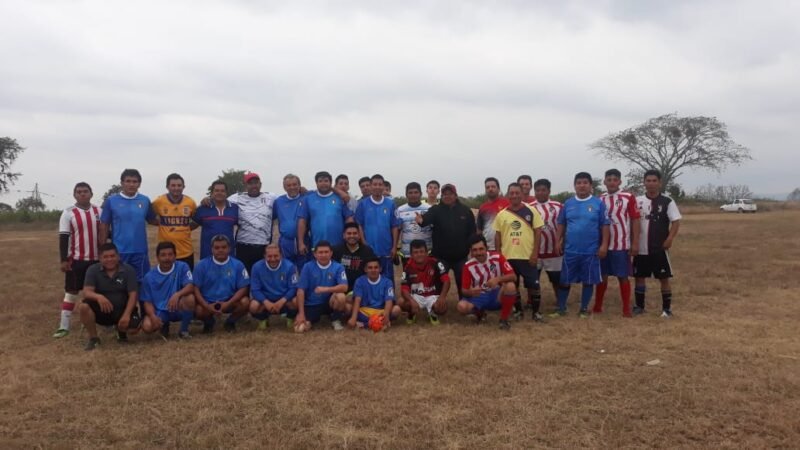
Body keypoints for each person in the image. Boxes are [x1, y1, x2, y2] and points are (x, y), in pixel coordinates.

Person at [550, 172, 610, 318]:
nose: (582, 185)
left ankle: (583, 309)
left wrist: (604, 246)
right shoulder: (568, 204)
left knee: (588, 281)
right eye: (579, 183)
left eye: (585, 182)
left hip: (590, 251)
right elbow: (561, 223)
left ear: (590, 185)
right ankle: (561, 308)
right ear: (574, 185)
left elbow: (605, 226)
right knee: (565, 280)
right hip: (570, 251)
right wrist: (558, 241)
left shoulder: (598, 204)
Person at [54, 182, 102, 338]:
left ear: (91, 194)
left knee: (96, 292)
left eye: (85, 191)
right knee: (72, 292)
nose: (82, 194)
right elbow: (64, 237)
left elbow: (106, 233)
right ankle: (64, 326)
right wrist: (63, 259)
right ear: (74, 194)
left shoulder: (98, 211)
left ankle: (95, 321)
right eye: (79, 192)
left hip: (97, 260)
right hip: (77, 260)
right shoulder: (68, 213)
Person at [633, 169, 682, 318]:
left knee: (663, 278)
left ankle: (666, 309)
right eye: (648, 181)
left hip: (659, 247)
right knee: (639, 277)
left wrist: (670, 239)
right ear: (644, 182)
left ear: (659, 183)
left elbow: (676, 221)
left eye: (654, 181)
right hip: (641, 247)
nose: (651, 184)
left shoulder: (667, 201)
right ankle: (639, 307)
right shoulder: (637, 201)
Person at [493, 182, 545, 321]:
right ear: (508, 195)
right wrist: (499, 255)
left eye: (517, 193)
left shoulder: (531, 211)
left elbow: (538, 232)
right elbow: (497, 236)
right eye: (512, 193)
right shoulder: (502, 214)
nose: (514, 196)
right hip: (508, 257)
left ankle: (536, 312)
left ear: (522, 194)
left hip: (527, 256)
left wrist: (535, 253)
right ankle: (518, 311)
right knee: (512, 286)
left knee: (533, 285)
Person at [415, 183, 476, 299]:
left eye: (450, 194)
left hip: (461, 257)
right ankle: (436, 303)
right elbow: (425, 221)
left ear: (455, 195)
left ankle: (465, 303)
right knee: (438, 282)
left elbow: (472, 232)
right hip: (441, 257)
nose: (447, 196)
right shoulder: (436, 210)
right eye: (445, 194)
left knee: (463, 282)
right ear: (441, 196)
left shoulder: (465, 210)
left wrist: (472, 249)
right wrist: (420, 220)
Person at [594, 169, 640, 317]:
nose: (612, 182)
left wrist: (635, 243)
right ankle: (597, 306)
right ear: (604, 182)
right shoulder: (600, 199)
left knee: (623, 276)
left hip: (621, 244)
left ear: (620, 181)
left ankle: (626, 308)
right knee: (602, 276)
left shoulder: (628, 197)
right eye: (609, 179)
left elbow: (635, 220)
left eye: (615, 179)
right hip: (604, 246)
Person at [79, 243, 142, 351]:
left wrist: (127, 315)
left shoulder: (128, 270)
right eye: (105, 257)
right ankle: (94, 339)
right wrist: (99, 297)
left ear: (118, 256)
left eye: (112, 256)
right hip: (102, 310)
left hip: (122, 310)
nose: (109, 259)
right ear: (100, 258)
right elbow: (87, 292)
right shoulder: (92, 270)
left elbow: (133, 295)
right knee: (83, 307)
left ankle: (121, 331)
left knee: (133, 330)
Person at [98, 168, 155, 281]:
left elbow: (152, 220)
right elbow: (104, 225)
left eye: (135, 182)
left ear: (139, 184)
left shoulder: (144, 200)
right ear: (122, 183)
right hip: (119, 251)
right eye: (128, 181)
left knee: (142, 282)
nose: (131, 184)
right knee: (119, 282)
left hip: (140, 251)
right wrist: (102, 248)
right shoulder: (111, 201)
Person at [457, 236, 518, 330]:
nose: (478, 253)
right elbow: (464, 290)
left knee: (510, 286)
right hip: (480, 296)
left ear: (487, 248)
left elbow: (513, 276)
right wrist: (471, 292)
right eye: (475, 250)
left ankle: (504, 319)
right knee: (461, 307)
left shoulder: (498, 257)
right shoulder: (468, 266)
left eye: (481, 249)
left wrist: (497, 279)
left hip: (497, 294)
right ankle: (480, 313)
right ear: (471, 251)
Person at [192, 235, 250, 333]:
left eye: (224, 247)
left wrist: (228, 303)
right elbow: (195, 288)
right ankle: (209, 323)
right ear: (212, 249)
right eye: (217, 248)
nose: (220, 250)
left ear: (229, 248)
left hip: (229, 301)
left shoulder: (238, 264)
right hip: (208, 302)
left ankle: (230, 322)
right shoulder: (201, 265)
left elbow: (244, 287)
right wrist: (206, 306)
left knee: (245, 302)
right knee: (198, 310)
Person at [140, 242, 195, 339]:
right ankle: (164, 325)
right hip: (161, 310)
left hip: (178, 307)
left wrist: (177, 295)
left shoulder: (182, 266)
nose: (167, 258)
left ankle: (184, 330)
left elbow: (190, 286)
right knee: (147, 327)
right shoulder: (149, 277)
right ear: (157, 257)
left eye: (170, 254)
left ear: (175, 256)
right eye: (163, 255)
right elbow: (147, 302)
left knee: (190, 298)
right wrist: (153, 316)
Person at [225, 172, 279, 273]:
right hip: (243, 245)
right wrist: (207, 200)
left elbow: (287, 199)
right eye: (250, 183)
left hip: (264, 246)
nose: (254, 185)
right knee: (244, 276)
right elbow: (219, 201)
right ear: (245, 185)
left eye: (256, 183)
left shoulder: (271, 197)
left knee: (263, 275)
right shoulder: (235, 198)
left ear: (260, 184)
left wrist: (302, 191)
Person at [294, 241, 349, 331]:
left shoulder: (338, 267)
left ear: (331, 253)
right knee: (299, 329)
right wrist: (301, 313)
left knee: (341, 296)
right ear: (315, 254)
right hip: (312, 303)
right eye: (320, 252)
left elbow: (344, 287)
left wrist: (325, 289)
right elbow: (301, 290)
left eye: (326, 252)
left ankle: (335, 319)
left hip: (329, 302)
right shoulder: (307, 267)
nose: (323, 255)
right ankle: (310, 319)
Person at [354, 174, 399, 284]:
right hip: (369, 250)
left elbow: (394, 226)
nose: (377, 187)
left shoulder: (390, 204)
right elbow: (359, 224)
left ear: (384, 186)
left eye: (380, 184)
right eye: (374, 184)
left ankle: (389, 300)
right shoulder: (362, 204)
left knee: (387, 280)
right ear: (370, 186)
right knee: (369, 279)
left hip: (386, 250)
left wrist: (394, 247)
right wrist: (363, 242)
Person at [297, 171, 354, 252]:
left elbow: (349, 218)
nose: (323, 183)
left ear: (331, 183)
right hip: (317, 245)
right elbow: (302, 221)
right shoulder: (308, 199)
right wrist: (300, 243)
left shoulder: (339, 198)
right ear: (316, 183)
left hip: (339, 245)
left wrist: (349, 236)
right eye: (320, 181)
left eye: (326, 181)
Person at [151, 173, 198, 269]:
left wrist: (185, 228)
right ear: (167, 187)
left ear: (183, 187)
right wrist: (163, 225)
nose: (176, 188)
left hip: (186, 251)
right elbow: (150, 218)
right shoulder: (158, 202)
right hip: (166, 252)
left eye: (179, 185)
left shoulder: (190, 202)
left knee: (186, 281)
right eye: (173, 185)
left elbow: (196, 221)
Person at [398, 240, 450, 325]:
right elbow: (404, 289)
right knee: (401, 302)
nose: (419, 254)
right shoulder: (408, 267)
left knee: (442, 308)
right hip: (417, 296)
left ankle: (433, 314)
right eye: (416, 252)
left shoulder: (435, 263)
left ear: (426, 252)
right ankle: (412, 314)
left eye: (422, 251)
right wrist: (411, 300)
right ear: (411, 255)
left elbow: (446, 280)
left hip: (432, 295)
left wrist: (442, 297)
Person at [249, 243, 299, 330]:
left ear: (281, 255)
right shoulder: (256, 267)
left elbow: (293, 288)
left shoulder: (290, 266)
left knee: (297, 301)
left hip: (284, 299)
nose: (273, 259)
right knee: (253, 306)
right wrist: (266, 302)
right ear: (264, 256)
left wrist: (282, 301)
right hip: (266, 299)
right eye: (269, 256)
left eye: (276, 256)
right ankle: (263, 320)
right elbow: (255, 289)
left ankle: (290, 318)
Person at [531, 179, 564, 309]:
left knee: (557, 280)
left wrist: (561, 242)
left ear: (549, 191)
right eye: (538, 190)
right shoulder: (529, 207)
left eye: (543, 190)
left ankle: (560, 301)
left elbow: (564, 225)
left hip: (554, 251)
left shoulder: (558, 206)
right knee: (533, 280)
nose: (540, 193)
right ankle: (532, 302)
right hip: (536, 252)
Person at [348, 258, 401, 330]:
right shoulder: (359, 281)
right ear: (365, 269)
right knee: (349, 308)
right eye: (370, 268)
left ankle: (364, 324)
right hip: (365, 311)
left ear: (380, 269)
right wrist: (353, 318)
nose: (373, 270)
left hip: (380, 311)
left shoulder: (387, 282)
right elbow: (357, 299)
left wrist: (386, 316)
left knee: (396, 309)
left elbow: (389, 300)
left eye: (376, 267)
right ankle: (379, 323)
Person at [193, 180, 239, 261]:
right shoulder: (202, 208)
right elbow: (191, 226)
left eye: (222, 191)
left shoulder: (235, 208)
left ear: (226, 193)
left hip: (229, 256)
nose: (219, 193)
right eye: (216, 190)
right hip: (207, 255)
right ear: (211, 193)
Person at [273, 174, 309, 271]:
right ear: (284, 187)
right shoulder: (278, 201)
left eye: (294, 184)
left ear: (299, 185)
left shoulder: (306, 198)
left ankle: (303, 286)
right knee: (287, 270)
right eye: (289, 185)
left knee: (305, 269)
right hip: (286, 242)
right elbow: (271, 218)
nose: (292, 187)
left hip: (303, 241)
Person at [332, 223, 377, 297]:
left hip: (361, 290)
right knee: (340, 299)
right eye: (349, 233)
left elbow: (373, 271)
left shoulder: (367, 251)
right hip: (341, 289)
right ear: (344, 235)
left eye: (355, 233)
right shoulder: (336, 250)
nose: (352, 236)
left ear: (359, 235)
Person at [395, 182, 432, 266]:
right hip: (407, 253)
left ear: (421, 194)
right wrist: (395, 248)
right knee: (410, 278)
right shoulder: (400, 210)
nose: (413, 195)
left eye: (416, 192)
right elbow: (397, 231)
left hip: (427, 253)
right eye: (410, 193)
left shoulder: (429, 209)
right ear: (406, 194)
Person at [477, 177, 510, 252]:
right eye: (487, 187)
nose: (490, 189)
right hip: (487, 247)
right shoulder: (482, 207)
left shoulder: (507, 204)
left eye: (493, 187)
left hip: (505, 246)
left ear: (498, 189)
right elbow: (479, 229)